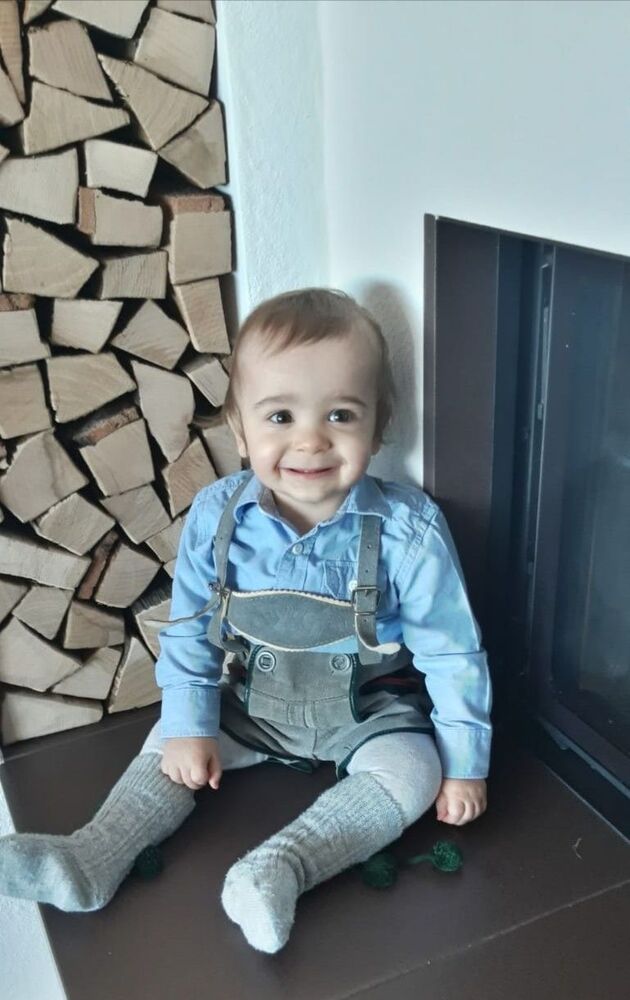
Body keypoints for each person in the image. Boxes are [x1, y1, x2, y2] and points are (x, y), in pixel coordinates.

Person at [0, 289, 492, 954]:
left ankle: (278, 869)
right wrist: (189, 727)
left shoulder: (408, 530)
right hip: (249, 705)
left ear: (378, 428)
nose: (310, 440)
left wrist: (466, 765)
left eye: (341, 414)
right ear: (240, 430)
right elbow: (189, 630)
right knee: (168, 742)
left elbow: (453, 653)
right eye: (280, 416)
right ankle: (91, 857)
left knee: (415, 773)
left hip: (371, 714)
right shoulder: (217, 516)